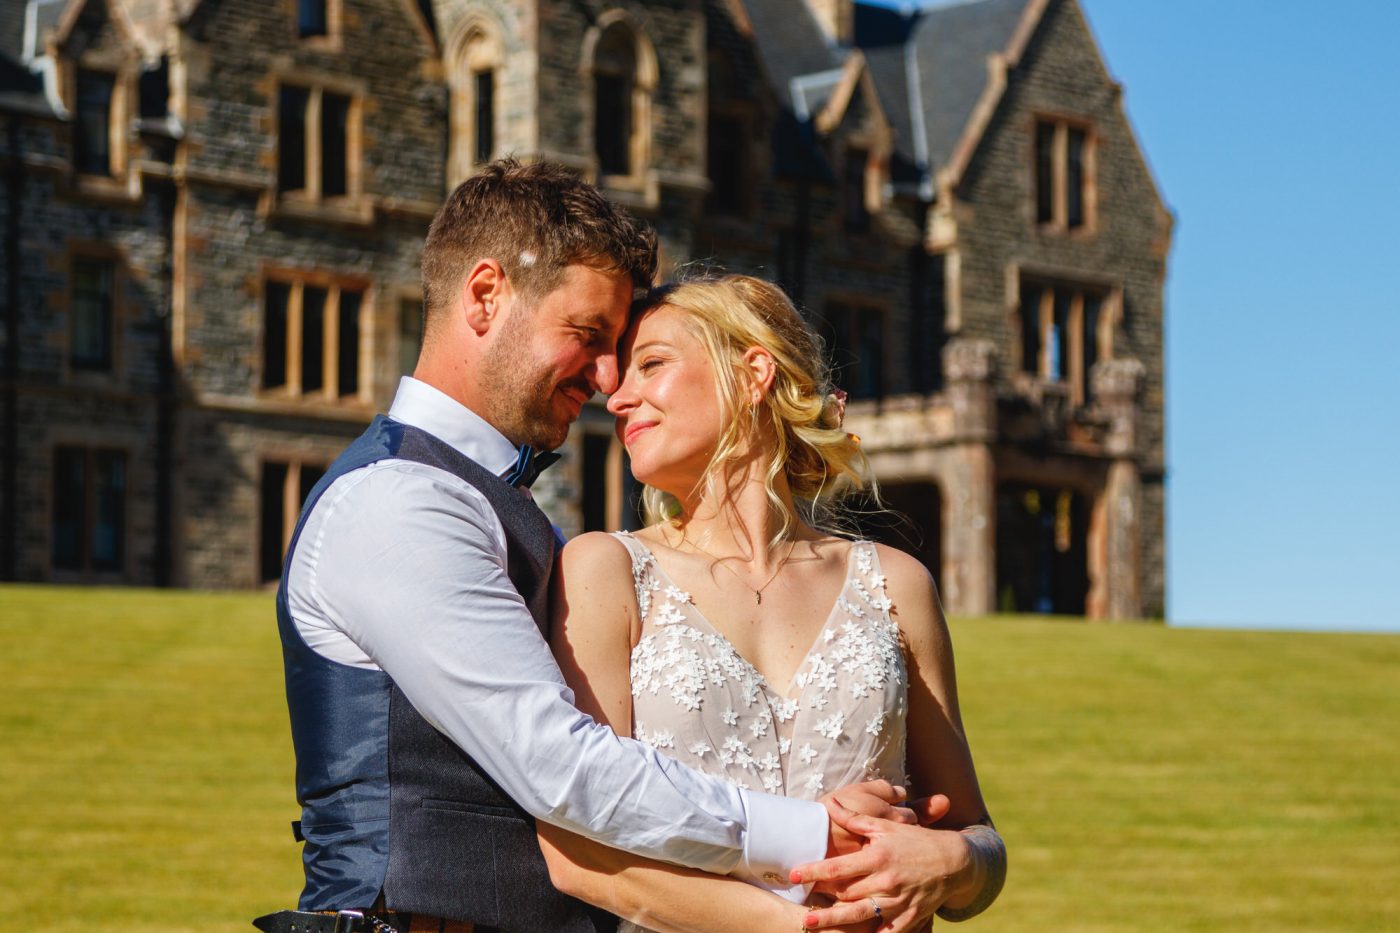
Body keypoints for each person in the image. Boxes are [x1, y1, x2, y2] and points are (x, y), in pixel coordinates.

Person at [257, 161, 915, 933]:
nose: (608, 380)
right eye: (588, 336)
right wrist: (814, 832)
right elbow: (559, 763)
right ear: (484, 295)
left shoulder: (483, 497)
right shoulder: (397, 501)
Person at [538, 274, 1006, 931]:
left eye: (652, 364)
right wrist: (792, 926)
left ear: (753, 371)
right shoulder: (606, 570)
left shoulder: (895, 582)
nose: (617, 396)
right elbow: (578, 852)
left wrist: (953, 861)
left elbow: (977, 835)